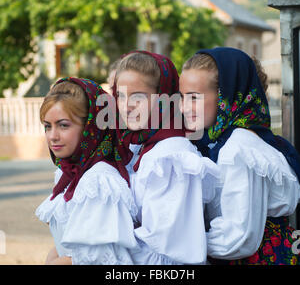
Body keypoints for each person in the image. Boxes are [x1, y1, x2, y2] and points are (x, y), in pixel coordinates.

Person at [179, 46, 300, 265]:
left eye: (194, 98)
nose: (184, 107)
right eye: (182, 97)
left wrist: (180, 245)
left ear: (227, 96)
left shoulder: (239, 149)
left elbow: (238, 238)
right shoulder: (224, 141)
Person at [113, 50, 220, 264]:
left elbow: (163, 250)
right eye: (120, 96)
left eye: (138, 96)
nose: (126, 106)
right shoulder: (140, 148)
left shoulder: (171, 156)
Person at [36, 77, 137, 265]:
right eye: (48, 126)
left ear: (91, 127)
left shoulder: (100, 181)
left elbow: (102, 258)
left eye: (63, 125)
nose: (52, 136)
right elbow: (73, 244)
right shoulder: (69, 175)